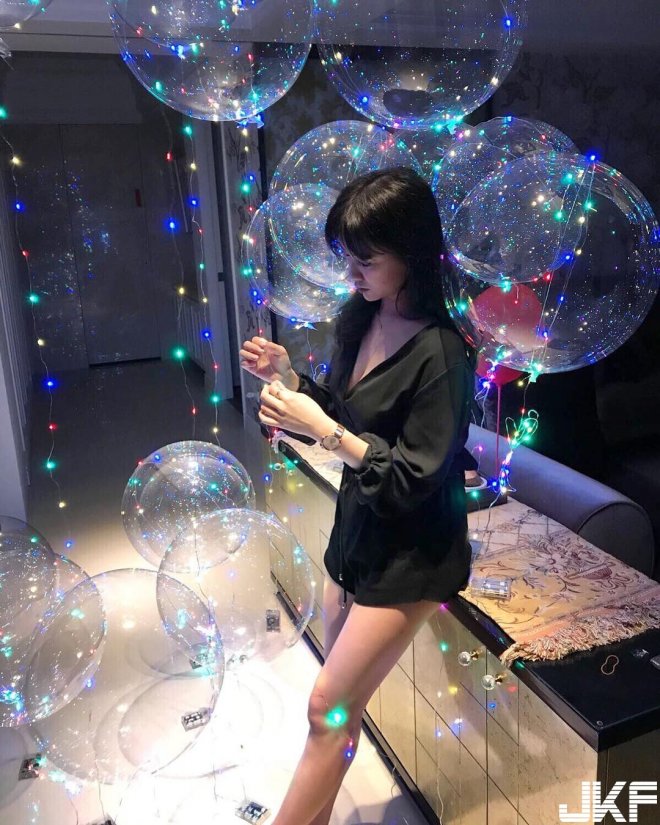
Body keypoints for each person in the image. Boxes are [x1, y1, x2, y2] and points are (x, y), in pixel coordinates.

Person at [240, 167, 475, 825]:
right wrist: (292, 382)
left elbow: (412, 480)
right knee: (339, 714)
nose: (352, 273)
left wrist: (326, 431)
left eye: (366, 260)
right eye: (348, 257)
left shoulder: (442, 354)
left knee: (326, 707)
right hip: (358, 535)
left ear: (412, 254)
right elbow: (348, 418)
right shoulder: (363, 316)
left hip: (414, 553)